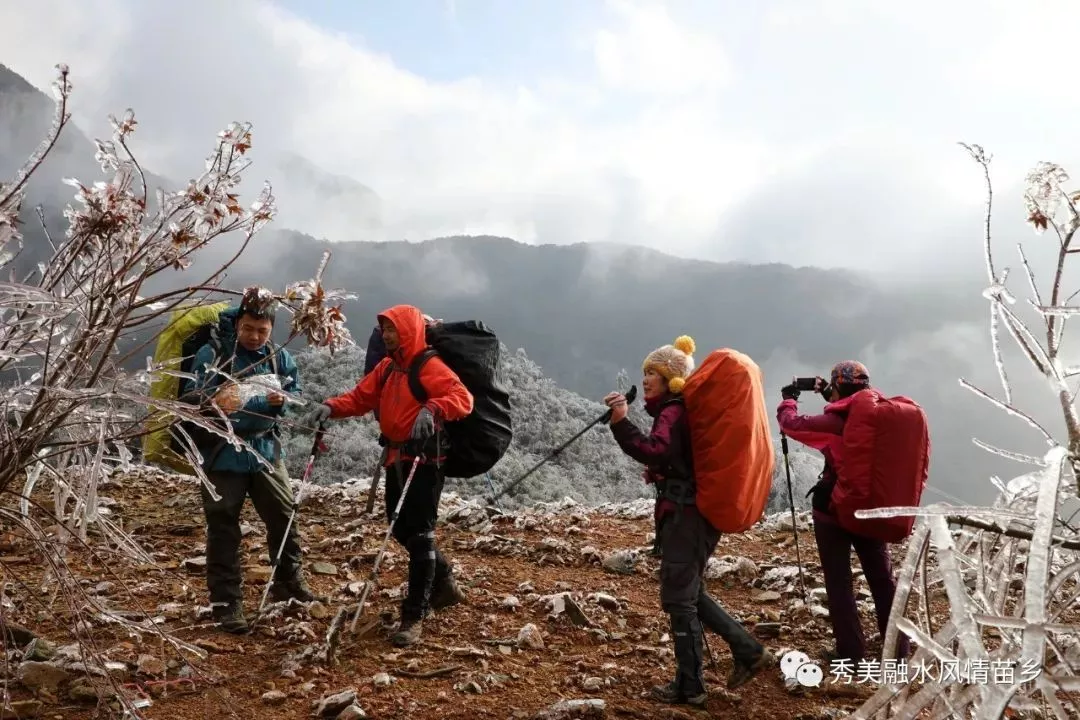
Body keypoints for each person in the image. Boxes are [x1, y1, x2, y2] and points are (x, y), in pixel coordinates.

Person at [603, 337, 773, 706]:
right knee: (690, 591)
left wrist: (621, 423)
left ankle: (690, 686)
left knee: (679, 599)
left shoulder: (673, 410)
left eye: (653, 373)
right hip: (694, 512)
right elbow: (675, 456)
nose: (646, 378)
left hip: (686, 515)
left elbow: (656, 449)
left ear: (672, 379)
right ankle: (748, 651)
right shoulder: (681, 410)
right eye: (646, 372)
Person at [300, 304, 471, 647]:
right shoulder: (388, 367)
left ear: (408, 331)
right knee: (399, 526)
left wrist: (434, 408)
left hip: (424, 460)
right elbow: (361, 398)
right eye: (385, 329)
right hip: (396, 457)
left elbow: (462, 398)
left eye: (392, 329)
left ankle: (414, 615)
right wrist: (331, 407)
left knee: (419, 534)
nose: (387, 335)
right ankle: (444, 579)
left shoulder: (429, 366)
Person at [181, 291, 314, 635]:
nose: (255, 336)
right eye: (249, 328)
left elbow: (295, 392)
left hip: (265, 449)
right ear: (238, 322)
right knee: (223, 525)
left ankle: (288, 583)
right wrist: (234, 402)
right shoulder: (214, 353)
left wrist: (282, 400)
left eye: (262, 330)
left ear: (271, 329)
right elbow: (194, 398)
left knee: (283, 515)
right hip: (222, 451)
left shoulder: (278, 357)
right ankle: (226, 603)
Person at [776, 360, 911, 665]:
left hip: (834, 512)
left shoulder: (834, 424)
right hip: (871, 509)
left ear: (838, 386)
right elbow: (855, 410)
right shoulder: (883, 417)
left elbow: (791, 424)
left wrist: (788, 400)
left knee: (839, 582)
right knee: (882, 579)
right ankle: (898, 651)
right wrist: (831, 395)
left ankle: (851, 654)